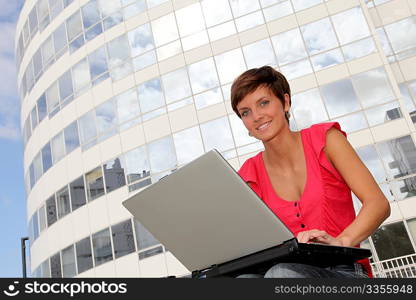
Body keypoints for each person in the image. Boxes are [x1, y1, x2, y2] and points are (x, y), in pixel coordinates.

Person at [230, 66, 390, 278]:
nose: (256, 116)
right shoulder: (248, 173)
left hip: (345, 271)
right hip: (284, 272)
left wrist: (341, 242)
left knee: (281, 275)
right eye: (245, 112)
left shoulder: (325, 140)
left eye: (264, 103)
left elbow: (378, 204)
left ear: (285, 102)